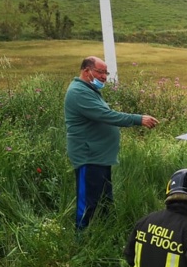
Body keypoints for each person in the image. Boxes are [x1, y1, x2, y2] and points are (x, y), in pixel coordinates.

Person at [65, 56, 159, 230]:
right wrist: (138, 119)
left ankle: (104, 235)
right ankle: (81, 238)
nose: (104, 77)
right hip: (88, 157)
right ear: (86, 71)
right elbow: (106, 115)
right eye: (100, 72)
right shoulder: (78, 92)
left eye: (106, 73)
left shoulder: (89, 90)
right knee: (88, 204)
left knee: (104, 202)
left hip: (99, 157)